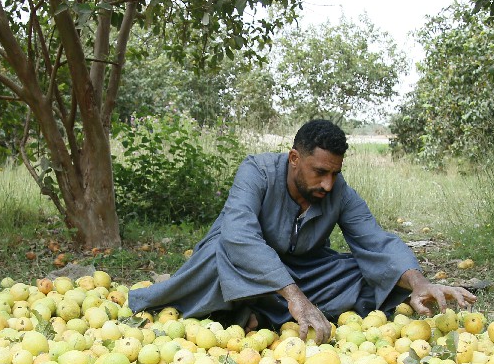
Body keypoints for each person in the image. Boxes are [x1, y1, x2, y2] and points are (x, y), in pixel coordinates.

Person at [127, 119, 475, 343]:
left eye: (335, 174)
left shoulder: (338, 192)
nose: (328, 183)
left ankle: (261, 312)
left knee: (363, 273)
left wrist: (419, 282)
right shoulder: (256, 172)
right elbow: (239, 235)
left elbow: (374, 240)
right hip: (239, 267)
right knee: (222, 252)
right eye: (319, 172)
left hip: (301, 271)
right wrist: (296, 297)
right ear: (294, 158)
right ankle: (255, 307)